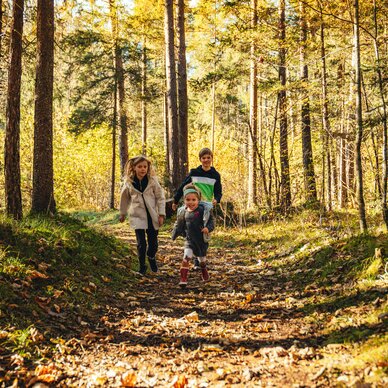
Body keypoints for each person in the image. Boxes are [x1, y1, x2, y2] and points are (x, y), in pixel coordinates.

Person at [172, 147, 222, 269]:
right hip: (193, 204)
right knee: (192, 230)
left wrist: (217, 199)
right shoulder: (194, 172)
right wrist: (175, 200)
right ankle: (194, 256)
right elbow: (183, 185)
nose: (206, 160)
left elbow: (218, 191)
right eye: (203, 158)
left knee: (203, 231)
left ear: (211, 159)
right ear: (200, 159)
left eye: (208, 157)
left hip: (206, 206)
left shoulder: (215, 175)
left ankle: (200, 257)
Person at [119, 155, 166, 275]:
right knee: (141, 243)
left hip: (152, 215)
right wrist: (122, 213)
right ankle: (142, 267)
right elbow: (124, 199)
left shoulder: (152, 181)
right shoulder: (129, 182)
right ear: (134, 168)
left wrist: (161, 214)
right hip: (137, 215)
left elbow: (160, 197)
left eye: (145, 166)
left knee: (153, 243)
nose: (143, 169)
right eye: (139, 166)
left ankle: (151, 257)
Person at [172, 184, 214, 288]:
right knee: (186, 258)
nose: (191, 202)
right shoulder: (183, 212)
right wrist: (175, 233)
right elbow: (179, 223)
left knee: (202, 261)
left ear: (198, 200)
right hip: (189, 240)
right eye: (188, 199)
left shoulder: (202, 211)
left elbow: (211, 222)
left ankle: (204, 270)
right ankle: (183, 279)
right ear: (184, 200)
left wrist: (207, 228)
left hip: (201, 241)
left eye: (193, 200)